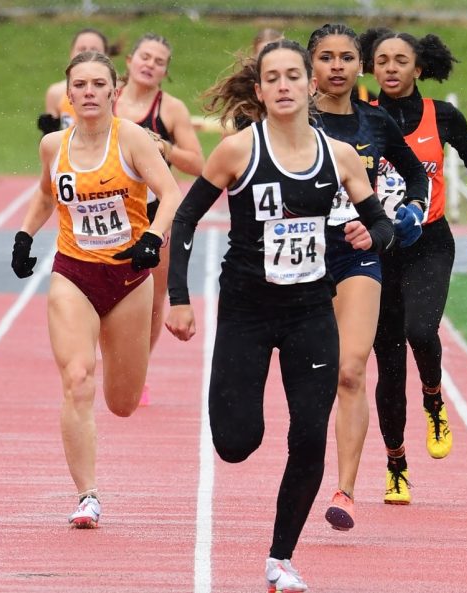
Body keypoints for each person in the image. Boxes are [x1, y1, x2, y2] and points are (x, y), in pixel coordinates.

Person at [166, 40, 395, 593]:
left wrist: (375, 233)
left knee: (310, 435)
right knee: (236, 443)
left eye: (295, 75)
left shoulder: (337, 156)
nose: (286, 85)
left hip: (309, 312)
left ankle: (281, 558)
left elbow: (380, 224)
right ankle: (242, 422)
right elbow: (186, 219)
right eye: (275, 77)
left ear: (309, 85)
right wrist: (178, 295)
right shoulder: (236, 151)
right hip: (246, 309)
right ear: (261, 90)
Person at [11, 50, 182, 528]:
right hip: (74, 273)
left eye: (97, 85)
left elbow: (170, 193)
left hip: (128, 278)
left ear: (114, 92)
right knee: (77, 377)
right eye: (79, 85)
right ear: (68, 95)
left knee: (122, 403)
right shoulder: (54, 146)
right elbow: (47, 193)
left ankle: (116, 355)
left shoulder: (130, 139)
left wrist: (152, 237)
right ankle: (87, 495)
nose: (88, 93)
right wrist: (25, 235)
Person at [360, 27, 467, 504]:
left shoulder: (444, 117)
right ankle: (396, 463)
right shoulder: (361, 118)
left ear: (419, 68)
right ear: (369, 67)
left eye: (400, 60)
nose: (390, 69)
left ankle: (434, 397)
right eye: (382, 61)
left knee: (420, 330)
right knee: (387, 363)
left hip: (430, 242)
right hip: (374, 251)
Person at [305, 23, 429, 532]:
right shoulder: (292, 120)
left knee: (351, 370)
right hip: (299, 260)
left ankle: (345, 489)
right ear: (311, 65)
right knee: (308, 380)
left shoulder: (376, 124)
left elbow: (416, 171)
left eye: (347, 58)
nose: (337, 66)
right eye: (327, 58)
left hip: (358, 254)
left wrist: (411, 210)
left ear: (361, 67)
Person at [114, 33, 205, 404]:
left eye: (159, 61)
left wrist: (165, 147)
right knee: (104, 288)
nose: (150, 64)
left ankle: (139, 371)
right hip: (110, 208)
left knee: (152, 299)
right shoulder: (108, 97)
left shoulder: (171, 110)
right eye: (145, 57)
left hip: (156, 212)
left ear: (165, 71)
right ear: (130, 60)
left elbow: (199, 164)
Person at [37, 28, 116, 135]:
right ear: (71, 53)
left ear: (107, 55)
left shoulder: (119, 91)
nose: (88, 54)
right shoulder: (56, 93)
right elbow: (50, 139)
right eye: (82, 49)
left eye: (94, 50)